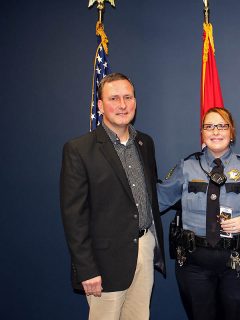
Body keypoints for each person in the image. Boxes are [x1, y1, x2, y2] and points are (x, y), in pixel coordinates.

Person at [157, 107, 240, 320]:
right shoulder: (186, 167)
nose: (215, 131)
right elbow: (156, 200)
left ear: (231, 132)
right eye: (209, 126)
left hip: (238, 264)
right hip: (194, 265)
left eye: (222, 126)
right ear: (202, 133)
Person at [60, 73, 165, 319]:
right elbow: (74, 217)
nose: (122, 105)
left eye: (128, 97)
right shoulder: (78, 149)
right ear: (100, 105)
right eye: (114, 98)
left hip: (145, 247)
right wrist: (86, 269)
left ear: (135, 101)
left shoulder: (145, 143)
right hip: (104, 261)